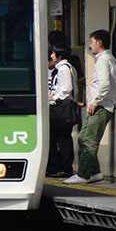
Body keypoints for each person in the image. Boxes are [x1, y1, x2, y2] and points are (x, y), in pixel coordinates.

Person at [64, 30, 116, 184]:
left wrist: (95, 101)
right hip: (102, 104)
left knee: (89, 139)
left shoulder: (104, 60)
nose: (90, 46)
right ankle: (95, 172)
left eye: (92, 42)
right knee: (84, 137)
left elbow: (104, 84)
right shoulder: (109, 59)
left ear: (99, 43)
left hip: (101, 106)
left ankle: (83, 174)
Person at [46, 44, 76, 178]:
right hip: (60, 107)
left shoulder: (64, 68)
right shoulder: (61, 68)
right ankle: (58, 166)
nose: (51, 55)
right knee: (59, 138)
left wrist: (55, 97)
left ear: (59, 55)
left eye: (53, 53)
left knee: (63, 138)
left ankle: (65, 167)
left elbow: (66, 88)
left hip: (62, 107)